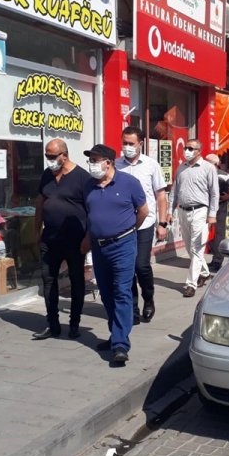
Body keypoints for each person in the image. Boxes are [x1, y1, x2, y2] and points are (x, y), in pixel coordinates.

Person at [81, 144, 148, 365]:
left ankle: (120, 344)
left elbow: (143, 211)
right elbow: (90, 216)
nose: (92, 164)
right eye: (90, 159)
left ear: (108, 162)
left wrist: (128, 231)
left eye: (95, 160)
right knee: (107, 293)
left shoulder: (129, 183)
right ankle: (115, 334)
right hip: (99, 247)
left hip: (123, 246)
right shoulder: (88, 186)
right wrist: (87, 240)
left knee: (121, 292)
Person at [32, 138, 89, 340]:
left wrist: (88, 239)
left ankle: (74, 324)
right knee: (48, 280)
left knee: (76, 281)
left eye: (52, 156)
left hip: (75, 240)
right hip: (50, 238)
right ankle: (52, 324)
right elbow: (40, 203)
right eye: (47, 156)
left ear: (64, 155)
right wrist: (36, 231)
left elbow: (92, 210)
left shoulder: (82, 177)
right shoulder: (47, 175)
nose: (49, 160)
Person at [115, 126, 167, 324]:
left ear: (140, 144)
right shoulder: (116, 165)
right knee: (127, 267)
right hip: (123, 225)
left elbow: (160, 195)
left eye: (131, 144)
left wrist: (162, 223)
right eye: (124, 143)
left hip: (145, 223)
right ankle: (132, 308)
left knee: (141, 265)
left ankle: (149, 298)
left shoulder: (151, 165)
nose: (127, 147)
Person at [167, 139, 219, 298]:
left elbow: (214, 193)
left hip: (200, 212)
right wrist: (170, 210)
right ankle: (204, 272)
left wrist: (212, 214)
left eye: (191, 148)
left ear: (199, 151)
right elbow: (174, 191)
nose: (187, 151)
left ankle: (191, 283)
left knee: (197, 248)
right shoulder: (181, 168)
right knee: (190, 248)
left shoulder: (208, 168)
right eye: (186, 148)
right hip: (183, 211)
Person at [205, 154, 229, 273]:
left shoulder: (224, 175)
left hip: (221, 206)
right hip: (206, 207)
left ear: (215, 164)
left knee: (219, 233)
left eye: (207, 162)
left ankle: (217, 261)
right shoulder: (202, 173)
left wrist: (228, 196)